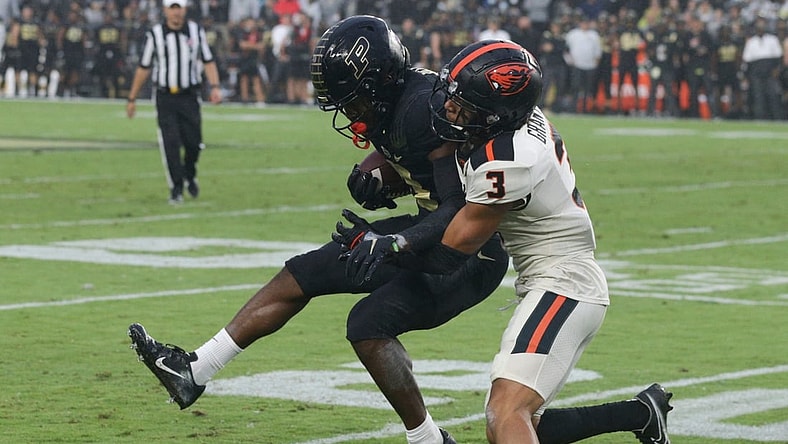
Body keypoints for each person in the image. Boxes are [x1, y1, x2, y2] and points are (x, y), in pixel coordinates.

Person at [128, 15, 510, 444]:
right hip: (432, 228)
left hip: (470, 251)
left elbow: (460, 202)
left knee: (367, 325)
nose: (349, 112)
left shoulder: (425, 111)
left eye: (353, 101)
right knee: (302, 273)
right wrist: (383, 179)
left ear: (380, 83)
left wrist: (393, 240)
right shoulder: (396, 102)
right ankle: (194, 370)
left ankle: (427, 440)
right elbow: (424, 175)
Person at [334, 40, 674, 444]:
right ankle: (640, 413)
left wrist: (392, 246)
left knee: (505, 413)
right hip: (549, 278)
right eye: (451, 95)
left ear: (495, 114)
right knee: (519, 419)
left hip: (565, 282)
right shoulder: (507, 125)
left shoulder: (507, 160)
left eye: (463, 105)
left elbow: (449, 254)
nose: (447, 108)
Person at [126, 0, 222, 204]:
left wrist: (215, 87)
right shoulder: (155, 35)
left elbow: (207, 60)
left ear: (185, 9)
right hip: (165, 96)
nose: (176, 13)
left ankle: (189, 173)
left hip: (189, 95)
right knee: (170, 143)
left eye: (179, 8)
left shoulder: (196, 31)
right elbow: (144, 67)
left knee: (194, 142)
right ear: (165, 10)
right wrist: (132, 98)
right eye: (172, 8)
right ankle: (176, 188)